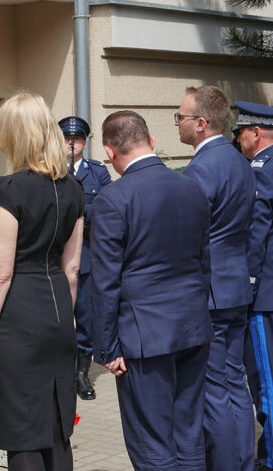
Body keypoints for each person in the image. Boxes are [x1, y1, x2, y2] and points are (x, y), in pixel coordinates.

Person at [90, 110, 214, 470]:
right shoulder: (191, 187)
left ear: (111, 153)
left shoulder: (113, 200)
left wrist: (107, 346)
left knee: (152, 442)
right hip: (192, 327)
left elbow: (105, 281)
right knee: (189, 434)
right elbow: (203, 262)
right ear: (152, 142)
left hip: (143, 339)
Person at [0, 92, 84, 471]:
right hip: (58, 312)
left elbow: (0, 272)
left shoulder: (9, 187)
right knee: (56, 429)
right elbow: (72, 270)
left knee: (23, 430)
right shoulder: (73, 187)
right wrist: (62, 321)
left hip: (19, 317)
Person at [177, 85, 256, 471]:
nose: (178, 123)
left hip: (209, 292)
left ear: (202, 124)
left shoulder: (202, 168)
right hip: (236, 285)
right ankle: (241, 461)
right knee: (234, 384)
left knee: (215, 391)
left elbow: (189, 231)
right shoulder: (240, 160)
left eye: (182, 117)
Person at [58, 116, 111, 401]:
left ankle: (81, 373)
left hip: (87, 255)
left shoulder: (97, 172)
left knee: (86, 318)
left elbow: (103, 208)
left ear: (85, 142)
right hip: (57, 256)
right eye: (67, 138)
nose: (72, 143)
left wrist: (77, 214)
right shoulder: (51, 170)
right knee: (59, 316)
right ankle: (61, 370)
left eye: (77, 139)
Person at [233, 100, 273, 471]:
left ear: (256, 132)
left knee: (265, 379)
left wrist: (246, 283)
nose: (238, 140)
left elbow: (256, 233)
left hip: (264, 294)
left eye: (240, 133)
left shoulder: (261, 170)